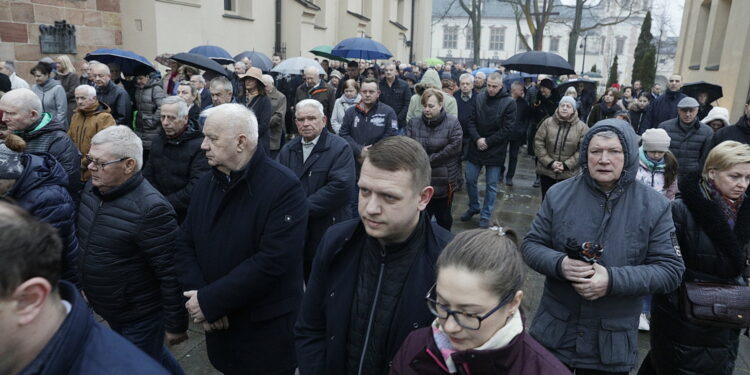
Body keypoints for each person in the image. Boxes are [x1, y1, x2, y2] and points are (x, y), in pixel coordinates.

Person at [523, 118, 685, 374]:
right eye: (595, 151)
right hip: (555, 335)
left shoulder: (655, 206)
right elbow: (531, 245)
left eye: (614, 151)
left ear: (629, 154)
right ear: (585, 154)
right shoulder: (558, 194)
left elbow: (670, 270)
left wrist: (612, 279)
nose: (604, 159)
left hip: (610, 345)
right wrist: (561, 264)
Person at [295, 136, 454, 375]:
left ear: (423, 198)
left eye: (389, 197)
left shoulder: (450, 260)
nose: (370, 208)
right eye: (364, 191)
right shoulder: (336, 241)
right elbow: (310, 326)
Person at [175, 104, 308, 375]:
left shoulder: (284, 187)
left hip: (264, 332)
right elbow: (185, 243)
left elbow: (273, 260)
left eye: (212, 138)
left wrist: (212, 300)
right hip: (219, 327)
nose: (203, 146)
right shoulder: (205, 184)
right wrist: (200, 298)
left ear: (240, 142)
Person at [0, 201, 172, 375]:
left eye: (102, 169)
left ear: (29, 299)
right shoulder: (93, 198)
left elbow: (169, 268)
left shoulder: (149, 208)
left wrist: (176, 322)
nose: (92, 171)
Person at [78, 126, 188, 374]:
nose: (90, 167)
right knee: (151, 356)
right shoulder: (93, 190)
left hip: (140, 315)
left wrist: (176, 323)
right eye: (89, 159)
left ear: (129, 165)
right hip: (111, 306)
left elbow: (170, 272)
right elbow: (89, 245)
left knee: (133, 366)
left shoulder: (152, 210)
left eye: (99, 163)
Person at [390, 228, 572, 375]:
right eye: (442, 305)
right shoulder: (415, 346)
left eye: (469, 314)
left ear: (513, 303)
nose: (450, 327)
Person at [638, 141, 750, 375]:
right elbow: (664, 263)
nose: (742, 184)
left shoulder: (745, 214)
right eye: (735, 176)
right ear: (712, 173)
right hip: (684, 318)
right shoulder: (680, 210)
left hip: (727, 317)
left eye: (748, 178)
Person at [277, 99, 356, 281]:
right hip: (298, 231)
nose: (306, 124)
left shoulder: (340, 147)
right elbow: (278, 184)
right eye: (301, 119)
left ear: (324, 120)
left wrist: (300, 207)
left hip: (329, 228)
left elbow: (341, 188)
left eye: (311, 118)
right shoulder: (288, 150)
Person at [0, 134, 79, 287]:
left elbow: (37, 252)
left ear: (8, 178)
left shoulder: (50, 199)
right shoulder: (12, 189)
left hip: (50, 279)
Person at [460, 72, 516, 228]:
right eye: (489, 86)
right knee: (470, 179)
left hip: (495, 149)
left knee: (491, 185)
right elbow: (471, 121)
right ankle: (474, 206)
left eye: (494, 86)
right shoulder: (479, 98)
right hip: (476, 145)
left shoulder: (509, 103)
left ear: (501, 86)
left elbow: (507, 129)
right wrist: (478, 139)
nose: (491, 89)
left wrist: (488, 141)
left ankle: (485, 214)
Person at [0, 88, 80, 196]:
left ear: (33, 115)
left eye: (10, 113)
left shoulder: (59, 141)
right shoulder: (14, 132)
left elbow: (68, 185)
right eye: (2, 112)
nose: (4, 119)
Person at [142, 96, 209, 223]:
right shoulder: (158, 141)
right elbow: (148, 175)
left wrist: (164, 204)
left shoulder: (199, 146)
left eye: (172, 118)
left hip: (185, 216)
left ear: (185, 118)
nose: (165, 123)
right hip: (156, 209)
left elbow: (196, 186)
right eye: (163, 117)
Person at [406, 88, 462, 230]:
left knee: (443, 218)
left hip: (444, 178)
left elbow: (454, 148)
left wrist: (428, 160)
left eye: (431, 106)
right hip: (421, 179)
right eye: (424, 106)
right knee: (421, 218)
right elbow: (409, 145)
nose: (426, 109)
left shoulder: (452, 123)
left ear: (441, 105)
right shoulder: (414, 122)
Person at [533, 96, 589, 199]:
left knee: (563, 204)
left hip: (568, 174)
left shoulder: (582, 128)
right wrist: (550, 163)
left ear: (573, 110)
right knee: (546, 201)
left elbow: (583, 149)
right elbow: (538, 142)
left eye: (568, 106)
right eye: (562, 105)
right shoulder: (547, 122)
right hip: (547, 171)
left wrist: (566, 165)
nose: (564, 108)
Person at [69, 84, 115, 182]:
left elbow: (103, 146)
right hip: (75, 169)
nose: (79, 101)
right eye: (77, 98)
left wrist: (84, 163)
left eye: (83, 98)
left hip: (95, 170)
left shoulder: (105, 118)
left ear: (93, 98)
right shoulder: (75, 116)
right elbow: (69, 140)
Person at [658, 96, 713, 176]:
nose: (687, 114)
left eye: (691, 111)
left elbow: (705, 158)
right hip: (667, 173)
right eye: (684, 110)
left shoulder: (707, 131)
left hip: (692, 177)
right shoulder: (664, 127)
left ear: (697, 110)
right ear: (678, 110)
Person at [636, 128, 679, 200]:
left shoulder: (671, 165)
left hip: (661, 206)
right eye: (652, 152)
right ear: (646, 150)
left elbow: (671, 190)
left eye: (660, 152)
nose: (656, 155)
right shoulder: (635, 163)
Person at [134, 66, 166, 155]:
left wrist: (152, 121)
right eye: (137, 79)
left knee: (151, 154)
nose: (138, 81)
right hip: (140, 128)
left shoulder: (156, 89)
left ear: (148, 77)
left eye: (141, 78)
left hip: (152, 129)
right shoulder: (138, 89)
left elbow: (162, 107)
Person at [239, 67, 272, 154]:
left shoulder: (264, 100)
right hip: (241, 141)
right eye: (246, 79)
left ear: (257, 82)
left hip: (258, 142)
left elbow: (264, 125)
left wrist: (249, 136)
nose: (247, 81)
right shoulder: (241, 98)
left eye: (251, 79)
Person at [505, 81, 530, 186]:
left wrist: (522, 130)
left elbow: (526, 119)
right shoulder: (505, 100)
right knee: (501, 154)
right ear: (514, 90)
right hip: (504, 132)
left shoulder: (524, 103)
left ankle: (510, 176)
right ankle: (500, 172)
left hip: (517, 133)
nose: (523, 91)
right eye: (521, 90)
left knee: (514, 156)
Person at [30, 62, 68, 127]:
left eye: (39, 76)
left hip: (56, 126)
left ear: (47, 74)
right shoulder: (34, 88)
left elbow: (62, 112)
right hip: (39, 126)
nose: (36, 78)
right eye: (35, 76)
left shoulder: (57, 88)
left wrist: (55, 126)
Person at [379, 63, 412, 131]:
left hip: (400, 122)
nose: (388, 72)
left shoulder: (404, 85)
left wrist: (397, 118)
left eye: (391, 70)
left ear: (396, 72)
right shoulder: (379, 85)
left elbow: (407, 103)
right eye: (386, 70)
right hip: (382, 120)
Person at [263, 74, 287, 158]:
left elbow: (279, 116)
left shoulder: (281, 97)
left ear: (272, 84)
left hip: (273, 134)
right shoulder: (259, 96)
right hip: (260, 135)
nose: (263, 88)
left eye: (265, 86)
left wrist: (263, 124)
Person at [454, 73, 477, 159]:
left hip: (471, 135)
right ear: (459, 84)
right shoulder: (455, 96)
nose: (465, 86)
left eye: (467, 84)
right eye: (462, 84)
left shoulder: (478, 98)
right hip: (457, 133)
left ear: (472, 85)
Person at [54, 55, 80, 124]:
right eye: (56, 63)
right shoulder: (56, 76)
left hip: (70, 106)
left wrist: (59, 97)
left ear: (65, 63)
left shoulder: (73, 76)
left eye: (59, 63)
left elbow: (72, 92)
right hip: (59, 105)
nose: (57, 65)